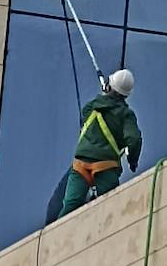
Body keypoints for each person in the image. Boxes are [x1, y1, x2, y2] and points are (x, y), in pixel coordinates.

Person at [58, 69, 142, 219]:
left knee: (70, 205)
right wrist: (132, 161)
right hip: (106, 167)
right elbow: (134, 139)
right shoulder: (125, 114)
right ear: (126, 95)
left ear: (109, 86)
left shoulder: (93, 106)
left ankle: (54, 238)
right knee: (110, 208)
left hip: (80, 165)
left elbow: (85, 114)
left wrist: (104, 94)